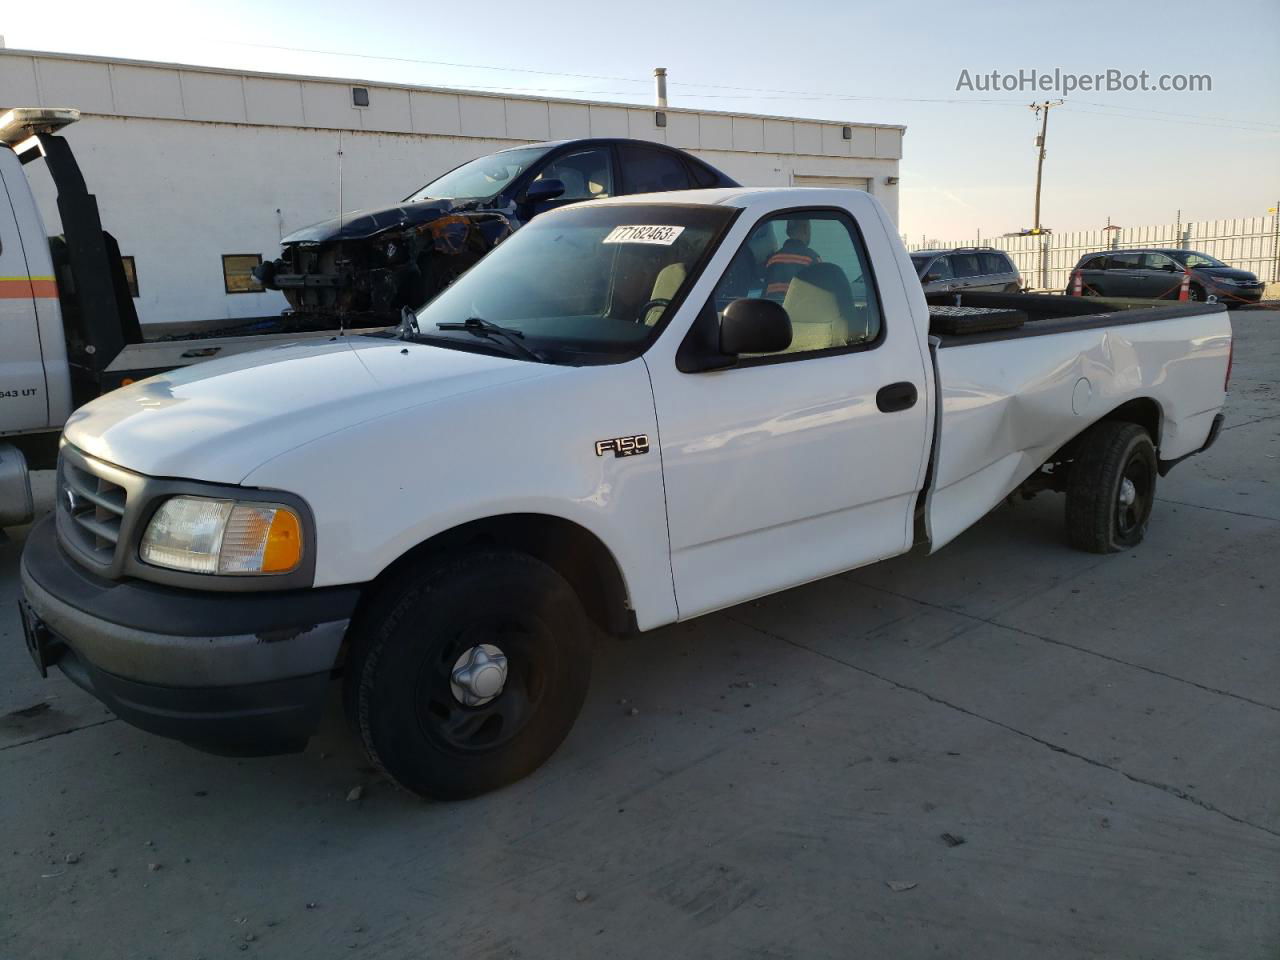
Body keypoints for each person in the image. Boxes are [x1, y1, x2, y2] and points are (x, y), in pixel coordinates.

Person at [763, 220, 820, 300]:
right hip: (800, 311)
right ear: (805, 229)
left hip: (773, 311)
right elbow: (820, 295)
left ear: (788, 231)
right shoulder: (812, 259)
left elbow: (764, 295)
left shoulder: (772, 259)